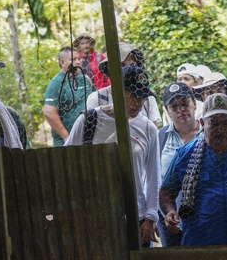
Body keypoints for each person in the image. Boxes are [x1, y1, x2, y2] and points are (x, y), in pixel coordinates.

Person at [65, 66, 159, 246]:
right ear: (117, 91)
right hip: (93, 213)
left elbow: (154, 176)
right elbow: (68, 162)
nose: (138, 103)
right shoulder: (89, 121)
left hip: (135, 217)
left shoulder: (148, 129)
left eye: (142, 97)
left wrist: (150, 217)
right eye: (134, 96)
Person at [160, 93, 227, 246]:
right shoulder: (184, 155)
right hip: (198, 246)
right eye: (214, 123)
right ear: (202, 123)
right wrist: (170, 211)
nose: (220, 130)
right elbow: (166, 191)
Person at [157, 82, 201, 246]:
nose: (180, 109)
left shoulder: (208, 134)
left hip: (203, 216)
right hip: (169, 217)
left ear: (194, 103)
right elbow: (153, 176)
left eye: (184, 103)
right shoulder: (160, 137)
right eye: (174, 106)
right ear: (167, 111)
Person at [90, 42, 162, 126]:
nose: (128, 69)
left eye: (132, 65)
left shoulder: (146, 97)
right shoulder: (97, 98)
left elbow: (153, 132)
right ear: (110, 69)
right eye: (122, 65)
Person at [43, 47, 89, 147]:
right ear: (62, 63)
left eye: (78, 59)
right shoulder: (57, 83)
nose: (77, 62)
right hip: (67, 143)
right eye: (73, 60)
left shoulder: (85, 79)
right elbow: (49, 112)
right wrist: (67, 137)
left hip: (88, 138)